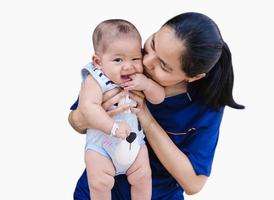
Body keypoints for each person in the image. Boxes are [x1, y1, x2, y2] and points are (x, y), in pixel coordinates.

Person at [69, 12, 244, 200]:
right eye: (152, 45)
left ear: (193, 77)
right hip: (98, 189)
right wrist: (96, 112)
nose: (145, 62)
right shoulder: (127, 61)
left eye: (164, 66)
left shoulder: (206, 107)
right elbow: (76, 122)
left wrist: (146, 118)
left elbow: (193, 184)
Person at [77, 19, 165, 200]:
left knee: (143, 177)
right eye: (118, 60)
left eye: (135, 59)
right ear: (98, 61)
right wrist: (113, 128)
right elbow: (88, 107)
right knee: (99, 184)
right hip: (102, 147)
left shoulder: (138, 78)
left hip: (135, 145)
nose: (128, 66)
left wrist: (147, 84)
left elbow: (159, 98)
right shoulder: (95, 80)